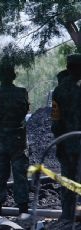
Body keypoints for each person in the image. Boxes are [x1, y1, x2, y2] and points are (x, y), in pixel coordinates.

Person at [0, 64, 30, 216]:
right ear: (14, 76)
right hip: (18, 140)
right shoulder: (22, 93)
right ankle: (23, 211)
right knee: (20, 176)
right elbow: (24, 112)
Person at [51, 54, 81, 221]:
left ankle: (67, 215)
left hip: (67, 144)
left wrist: (59, 142)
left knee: (68, 181)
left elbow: (56, 123)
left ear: (68, 67)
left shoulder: (59, 90)